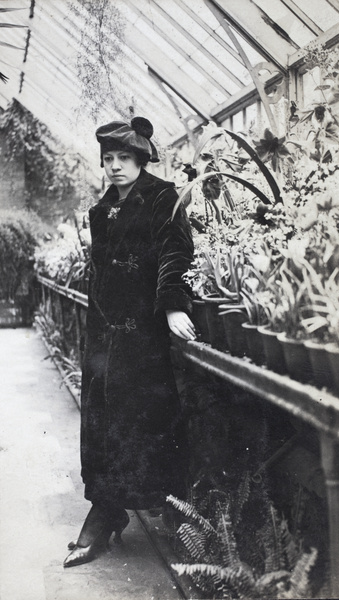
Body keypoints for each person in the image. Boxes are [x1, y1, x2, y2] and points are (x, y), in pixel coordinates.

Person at [63, 117, 196, 568]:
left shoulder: (163, 197)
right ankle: (106, 507)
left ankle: (170, 511)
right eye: (108, 159)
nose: (115, 166)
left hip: (144, 332)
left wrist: (173, 304)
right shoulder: (100, 210)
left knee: (147, 417)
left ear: (141, 159)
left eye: (124, 158)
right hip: (103, 332)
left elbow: (175, 249)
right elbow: (99, 270)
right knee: (100, 420)